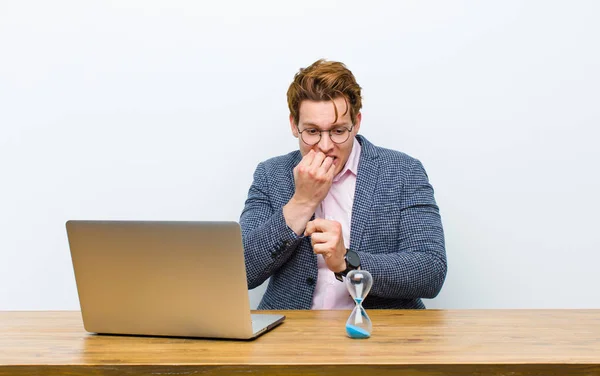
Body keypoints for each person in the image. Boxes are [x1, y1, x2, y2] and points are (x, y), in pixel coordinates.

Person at [240, 59, 446, 309]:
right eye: (313, 131)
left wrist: (348, 263)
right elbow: (242, 271)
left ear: (356, 123)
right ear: (294, 125)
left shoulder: (403, 171)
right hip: (291, 334)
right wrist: (302, 202)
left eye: (338, 131)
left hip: (380, 335)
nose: (325, 146)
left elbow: (431, 270)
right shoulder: (270, 174)